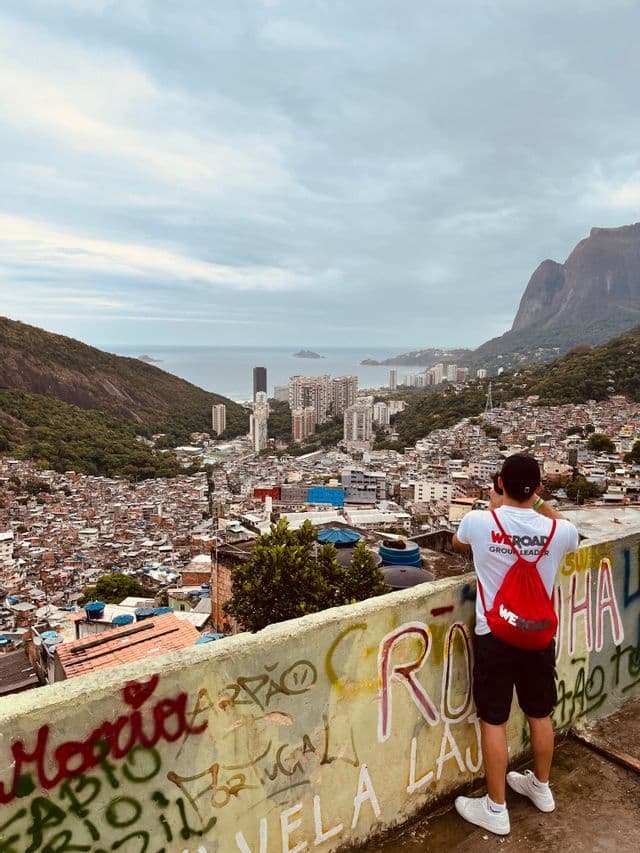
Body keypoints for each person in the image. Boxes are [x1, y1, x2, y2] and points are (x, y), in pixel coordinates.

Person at [452, 453, 579, 835]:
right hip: (538, 633)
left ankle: (495, 808)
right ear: (538, 488)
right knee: (540, 712)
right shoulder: (559, 532)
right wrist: (535, 503)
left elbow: (459, 544)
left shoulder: (478, 522)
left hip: (495, 634)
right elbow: (568, 528)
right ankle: (540, 788)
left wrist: (496, 507)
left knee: (494, 719)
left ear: (500, 483)